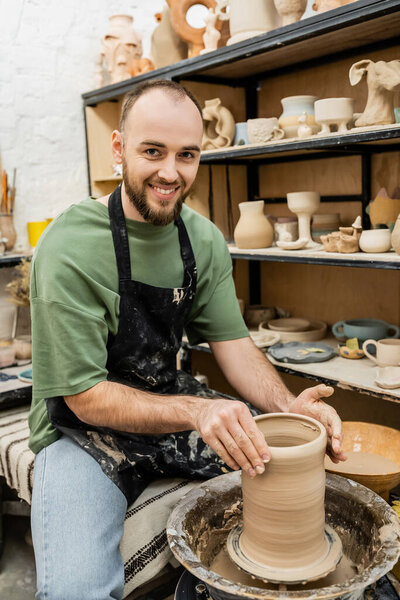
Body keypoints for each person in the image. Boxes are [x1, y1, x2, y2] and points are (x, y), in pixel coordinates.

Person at [28, 80, 346, 600]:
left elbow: (236, 348)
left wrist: (291, 407)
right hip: (80, 430)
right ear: (118, 149)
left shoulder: (203, 239)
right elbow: (83, 397)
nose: (170, 172)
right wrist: (197, 412)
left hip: (166, 396)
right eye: (152, 151)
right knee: (75, 592)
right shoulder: (69, 246)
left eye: (187, 155)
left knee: (296, 487)